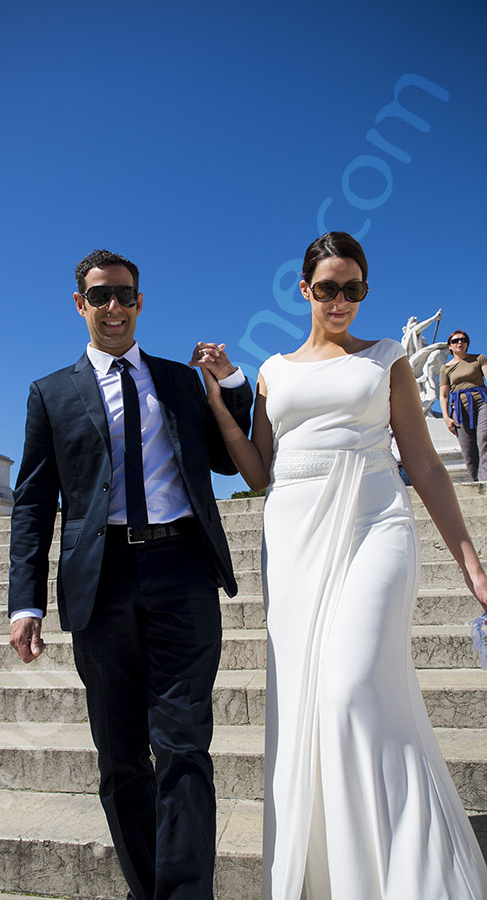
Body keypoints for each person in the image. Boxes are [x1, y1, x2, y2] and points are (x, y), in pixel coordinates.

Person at [196, 232, 487, 899]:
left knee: (351, 687)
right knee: (311, 703)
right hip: (294, 541)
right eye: (327, 288)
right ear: (304, 290)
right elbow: (261, 471)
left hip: (374, 525)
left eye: (352, 289)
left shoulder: (388, 360)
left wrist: (471, 565)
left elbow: (425, 464)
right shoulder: (273, 371)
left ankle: (406, 874)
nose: (339, 300)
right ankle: (336, 877)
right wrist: (220, 404)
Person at [8, 249, 252, 900]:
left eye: (124, 295)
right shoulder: (50, 394)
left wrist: (230, 387)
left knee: (183, 746)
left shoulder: (177, 381)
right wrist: (23, 602)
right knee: (121, 759)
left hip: (181, 570)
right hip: (102, 579)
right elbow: (32, 502)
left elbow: (232, 465)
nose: (113, 306)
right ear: (80, 305)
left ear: (140, 302)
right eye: (99, 296)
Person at [439, 330, 487, 482]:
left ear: (467, 343)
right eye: (455, 341)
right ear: (450, 347)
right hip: (459, 408)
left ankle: (485, 481)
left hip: (482, 402)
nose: (459, 343)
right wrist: (446, 417)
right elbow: (444, 394)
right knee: (468, 449)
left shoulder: (478, 359)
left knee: (484, 439)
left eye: (463, 340)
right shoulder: (445, 367)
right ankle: (476, 483)